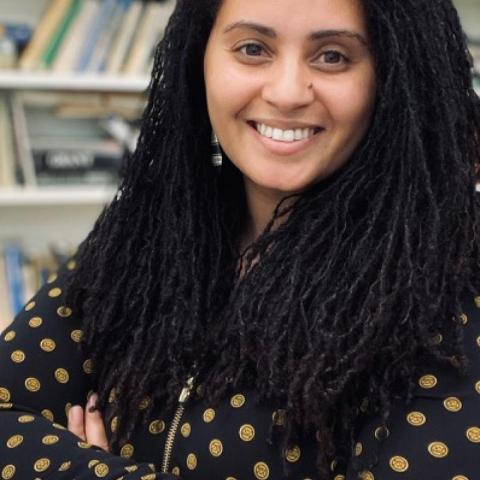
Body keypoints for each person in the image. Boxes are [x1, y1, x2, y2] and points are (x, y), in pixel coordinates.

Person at [1, 0, 480, 478]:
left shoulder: (450, 267)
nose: (288, 92)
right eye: (253, 48)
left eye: (333, 56)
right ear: (200, 58)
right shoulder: (149, 228)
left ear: (397, 73)